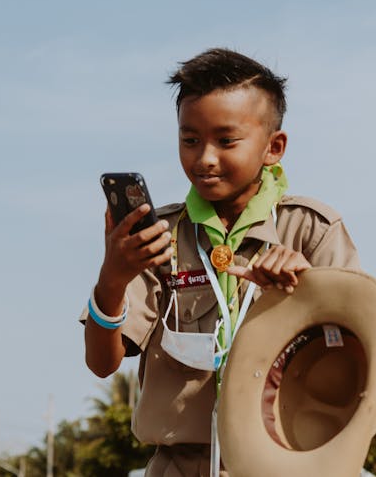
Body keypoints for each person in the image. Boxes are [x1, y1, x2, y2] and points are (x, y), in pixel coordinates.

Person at [81, 48, 361, 476]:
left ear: (274, 147)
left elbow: (360, 356)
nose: (205, 158)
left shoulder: (310, 231)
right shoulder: (161, 236)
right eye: (190, 139)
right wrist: (112, 278)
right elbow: (103, 364)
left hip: (285, 465)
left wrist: (303, 296)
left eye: (226, 141)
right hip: (179, 465)